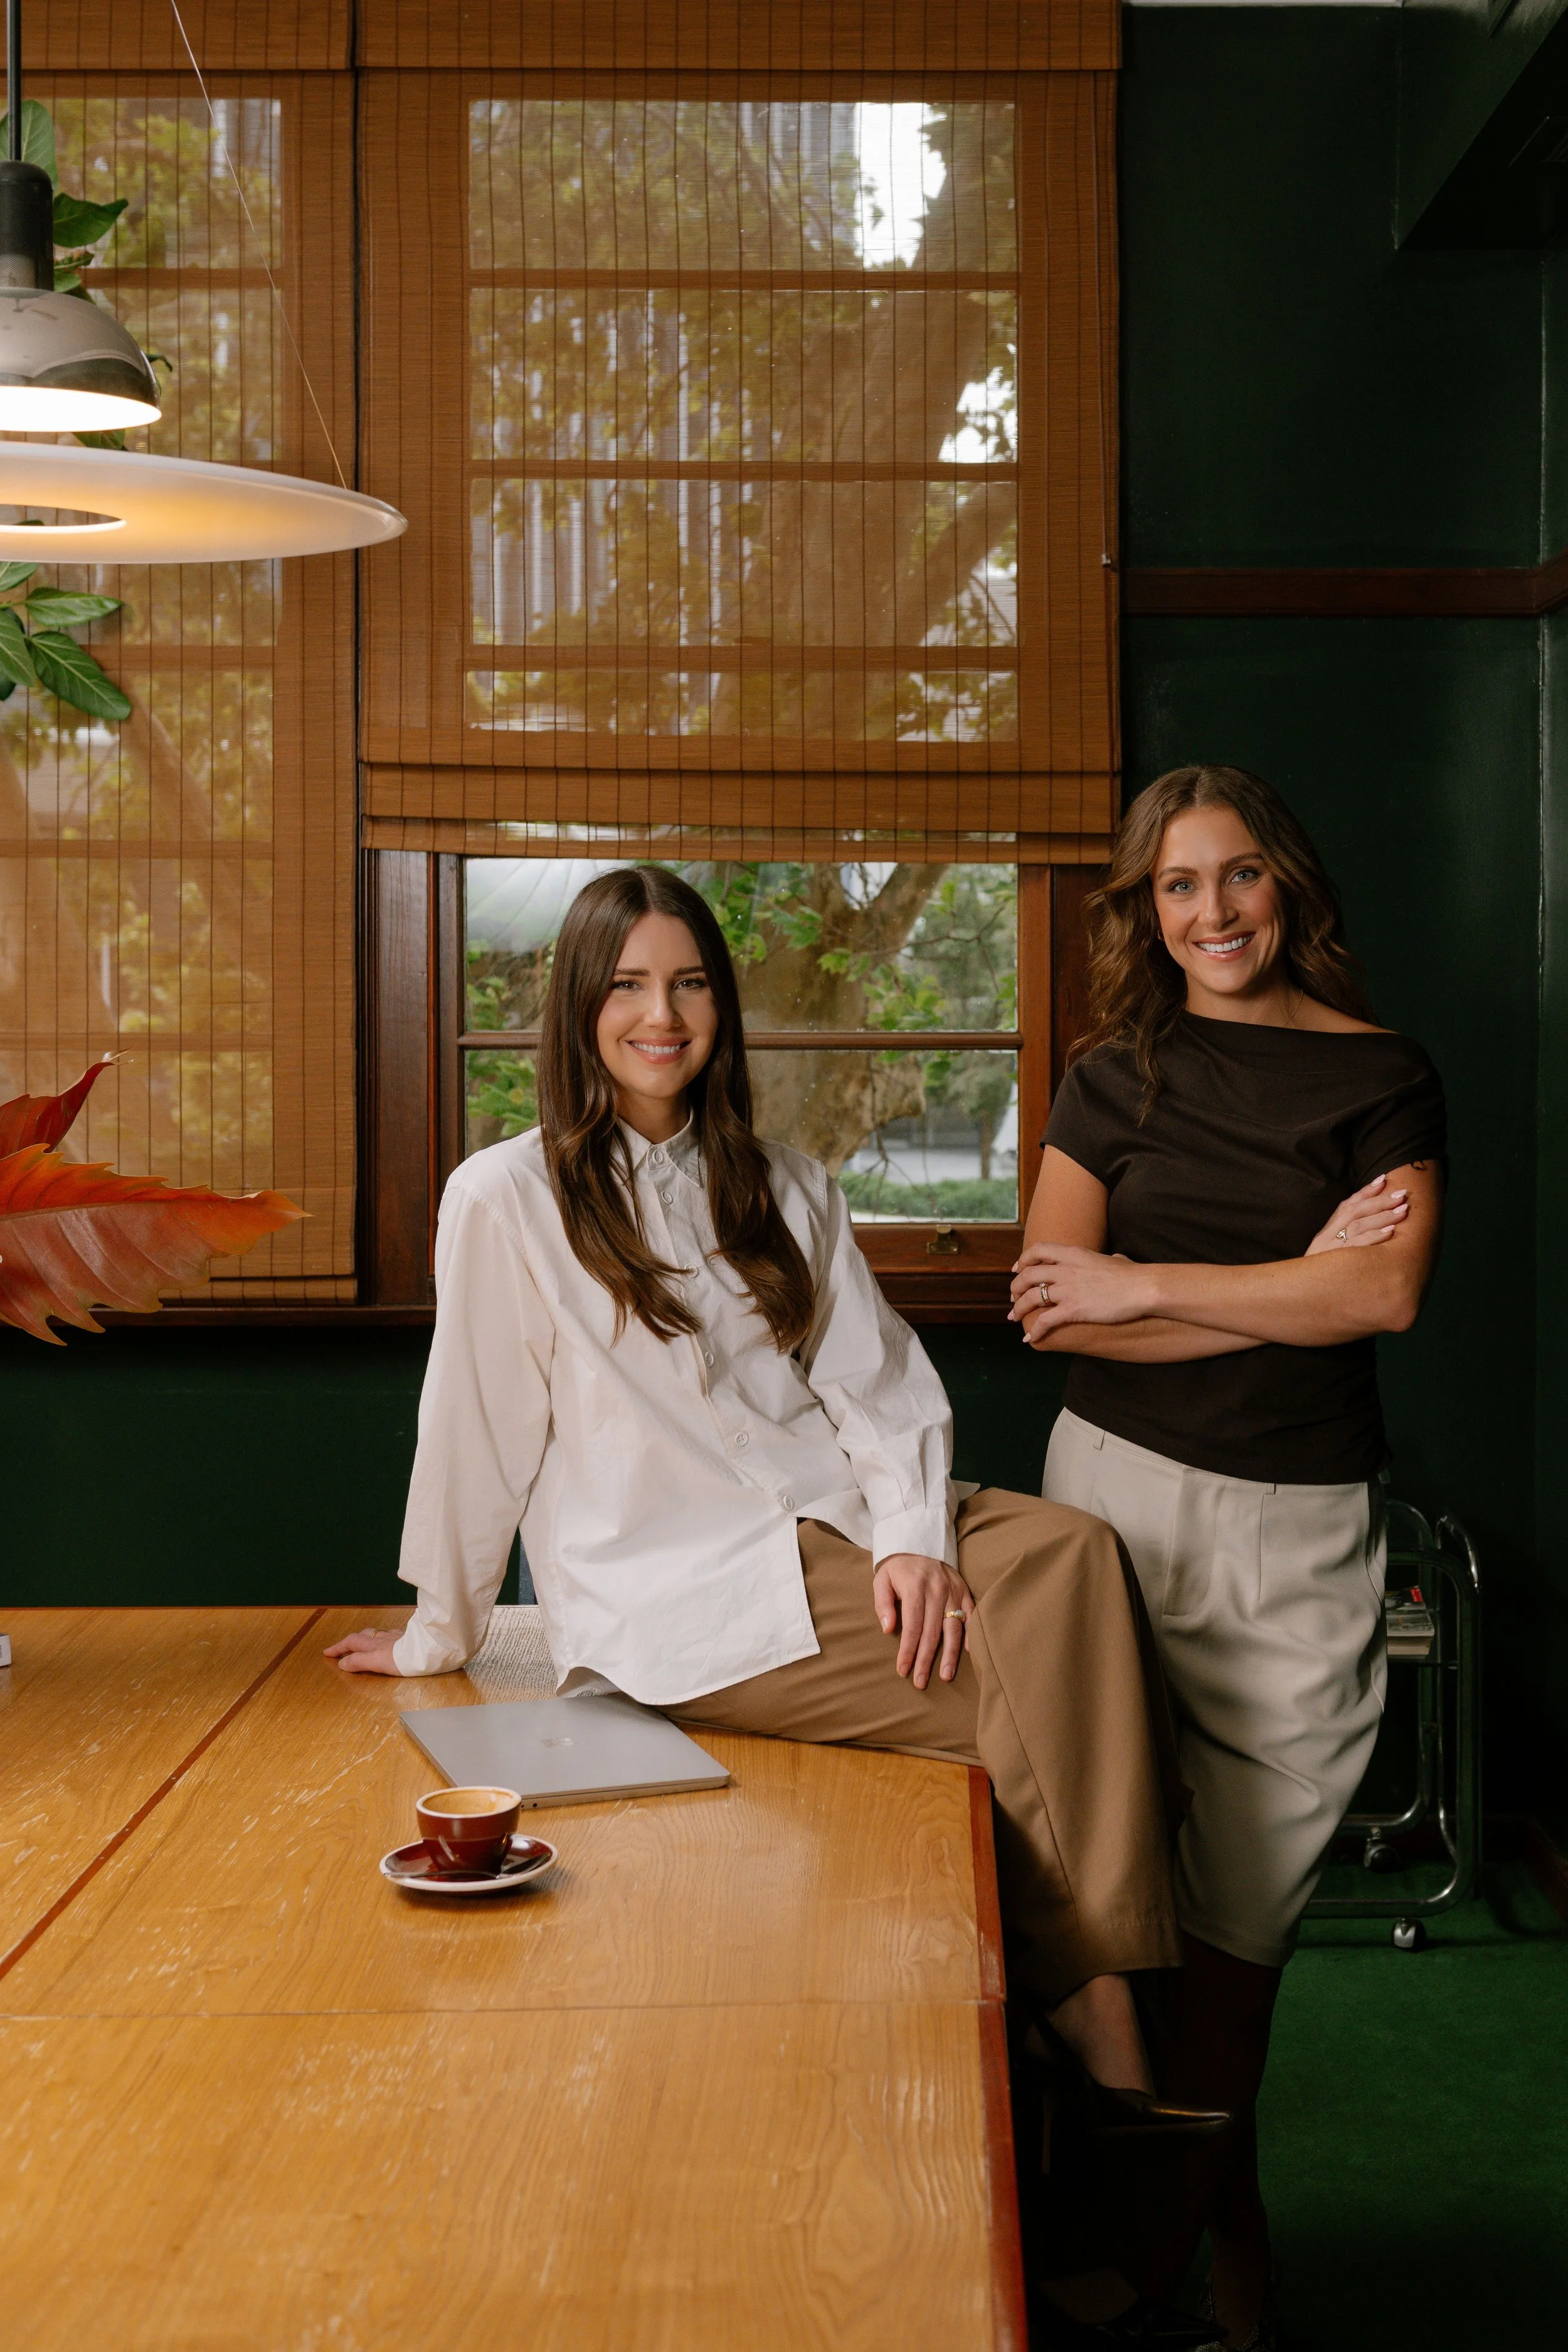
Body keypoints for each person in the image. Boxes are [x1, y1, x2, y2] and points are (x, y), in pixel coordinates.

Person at [328, 862, 1225, 2345]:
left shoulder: (784, 1183)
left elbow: (877, 1389)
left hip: (839, 1538)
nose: (658, 1014)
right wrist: (446, 1626)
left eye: (686, 984)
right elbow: (471, 1424)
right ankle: (1106, 2033)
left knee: (1067, 1558)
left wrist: (913, 1537)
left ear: (719, 1010)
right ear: (578, 1007)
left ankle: (1087, 2018)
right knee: (1021, 1681)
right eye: (625, 986)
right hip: (687, 1594)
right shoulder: (503, 1199)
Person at [1010, 766, 1446, 2352]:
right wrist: (1266, 1277)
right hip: (1111, 1514)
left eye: (1240, 877)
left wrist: (1146, 1286)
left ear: (1290, 889)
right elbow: (1052, 1297)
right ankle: (1166, 2269)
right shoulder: (1109, 1074)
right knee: (1105, 1915)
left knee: (1233, 1947)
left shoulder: (1383, 1076)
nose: (1213, 914)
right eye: (1179, 887)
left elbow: (1382, 1298)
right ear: (1146, 909)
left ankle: (1184, 2239)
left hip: (1298, 1539)